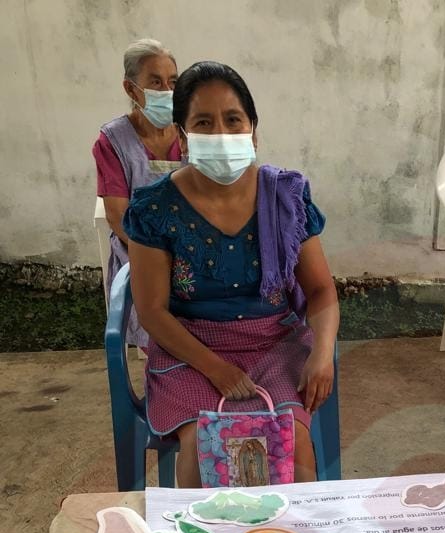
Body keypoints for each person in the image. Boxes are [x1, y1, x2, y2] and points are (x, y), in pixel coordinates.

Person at [124, 61, 338, 485]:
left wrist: (322, 352)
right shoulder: (155, 209)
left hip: (273, 342)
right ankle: (202, 532)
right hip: (190, 349)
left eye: (233, 119)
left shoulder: (285, 197)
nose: (221, 133)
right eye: (203, 123)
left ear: (253, 130)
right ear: (183, 136)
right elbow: (152, 311)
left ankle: (295, 530)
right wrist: (215, 368)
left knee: (292, 443)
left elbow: (321, 290)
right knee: (204, 447)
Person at [93, 38, 183, 347]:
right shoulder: (113, 141)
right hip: (141, 251)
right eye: (155, 83)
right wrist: (158, 259)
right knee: (159, 341)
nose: (167, 91)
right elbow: (118, 217)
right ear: (131, 90)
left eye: (173, 82)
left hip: (194, 245)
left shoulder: (191, 129)